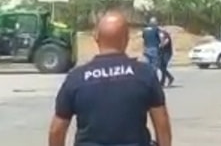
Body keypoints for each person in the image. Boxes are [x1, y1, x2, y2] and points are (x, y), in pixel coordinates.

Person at [48, 11, 172, 146]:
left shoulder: (76, 78)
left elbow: (57, 130)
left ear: (96, 38)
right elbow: (162, 125)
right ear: (126, 39)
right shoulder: (145, 74)